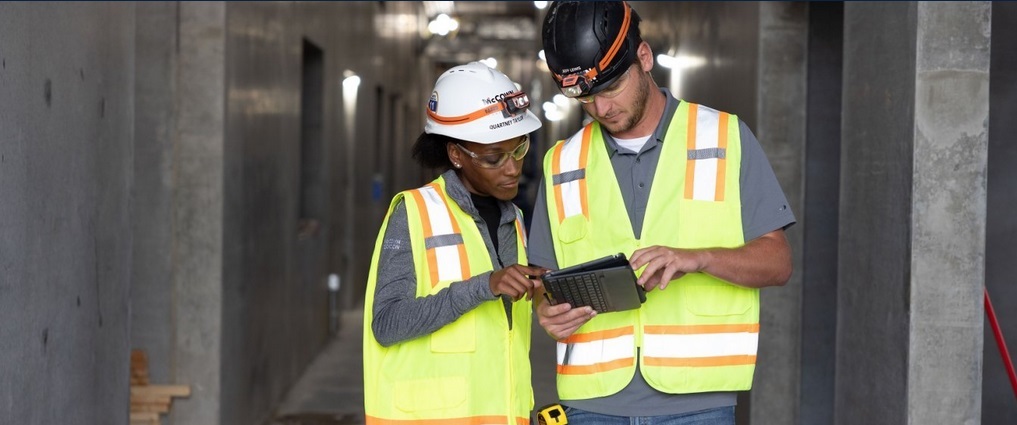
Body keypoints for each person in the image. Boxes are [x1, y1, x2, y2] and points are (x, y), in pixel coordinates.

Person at [530, 1, 796, 423]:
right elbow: (542, 276)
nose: (602, 109)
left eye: (611, 89)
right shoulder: (561, 162)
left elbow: (778, 263)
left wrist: (698, 258)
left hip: (697, 404)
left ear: (644, 57)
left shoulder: (725, 137)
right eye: (587, 99)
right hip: (591, 403)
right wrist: (544, 308)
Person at [362, 62, 546, 425]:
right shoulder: (413, 213)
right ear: (457, 155)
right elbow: (387, 323)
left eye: (519, 150)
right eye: (495, 158)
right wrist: (485, 285)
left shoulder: (516, 221)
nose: (512, 169)